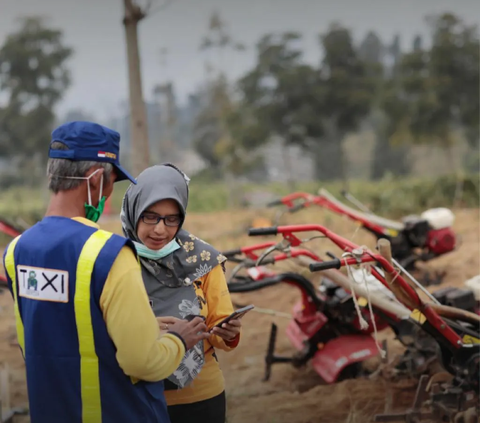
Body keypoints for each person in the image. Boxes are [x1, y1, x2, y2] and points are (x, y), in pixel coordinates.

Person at [2, 121, 210, 423]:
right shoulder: (109, 254)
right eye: (113, 182)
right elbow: (143, 362)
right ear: (96, 179)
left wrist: (139, 326)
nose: (109, 192)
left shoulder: (16, 251)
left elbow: (47, 337)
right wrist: (178, 339)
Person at [120, 163, 242, 423]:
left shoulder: (202, 259)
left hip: (201, 397)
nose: (160, 229)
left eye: (171, 219)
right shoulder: (115, 259)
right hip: (137, 395)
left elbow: (220, 326)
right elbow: (103, 330)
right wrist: (147, 330)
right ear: (134, 211)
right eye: (149, 216)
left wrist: (228, 333)